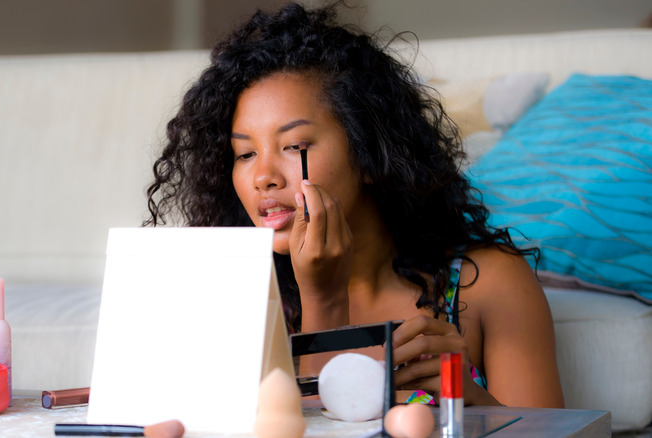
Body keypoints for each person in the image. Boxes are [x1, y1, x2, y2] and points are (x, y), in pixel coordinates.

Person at [145, 2, 564, 408]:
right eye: (245, 154)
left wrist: (474, 407)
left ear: (368, 154)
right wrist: (323, 301)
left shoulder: (488, 285)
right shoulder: (240, 301)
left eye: (293, 145)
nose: (262, 177)